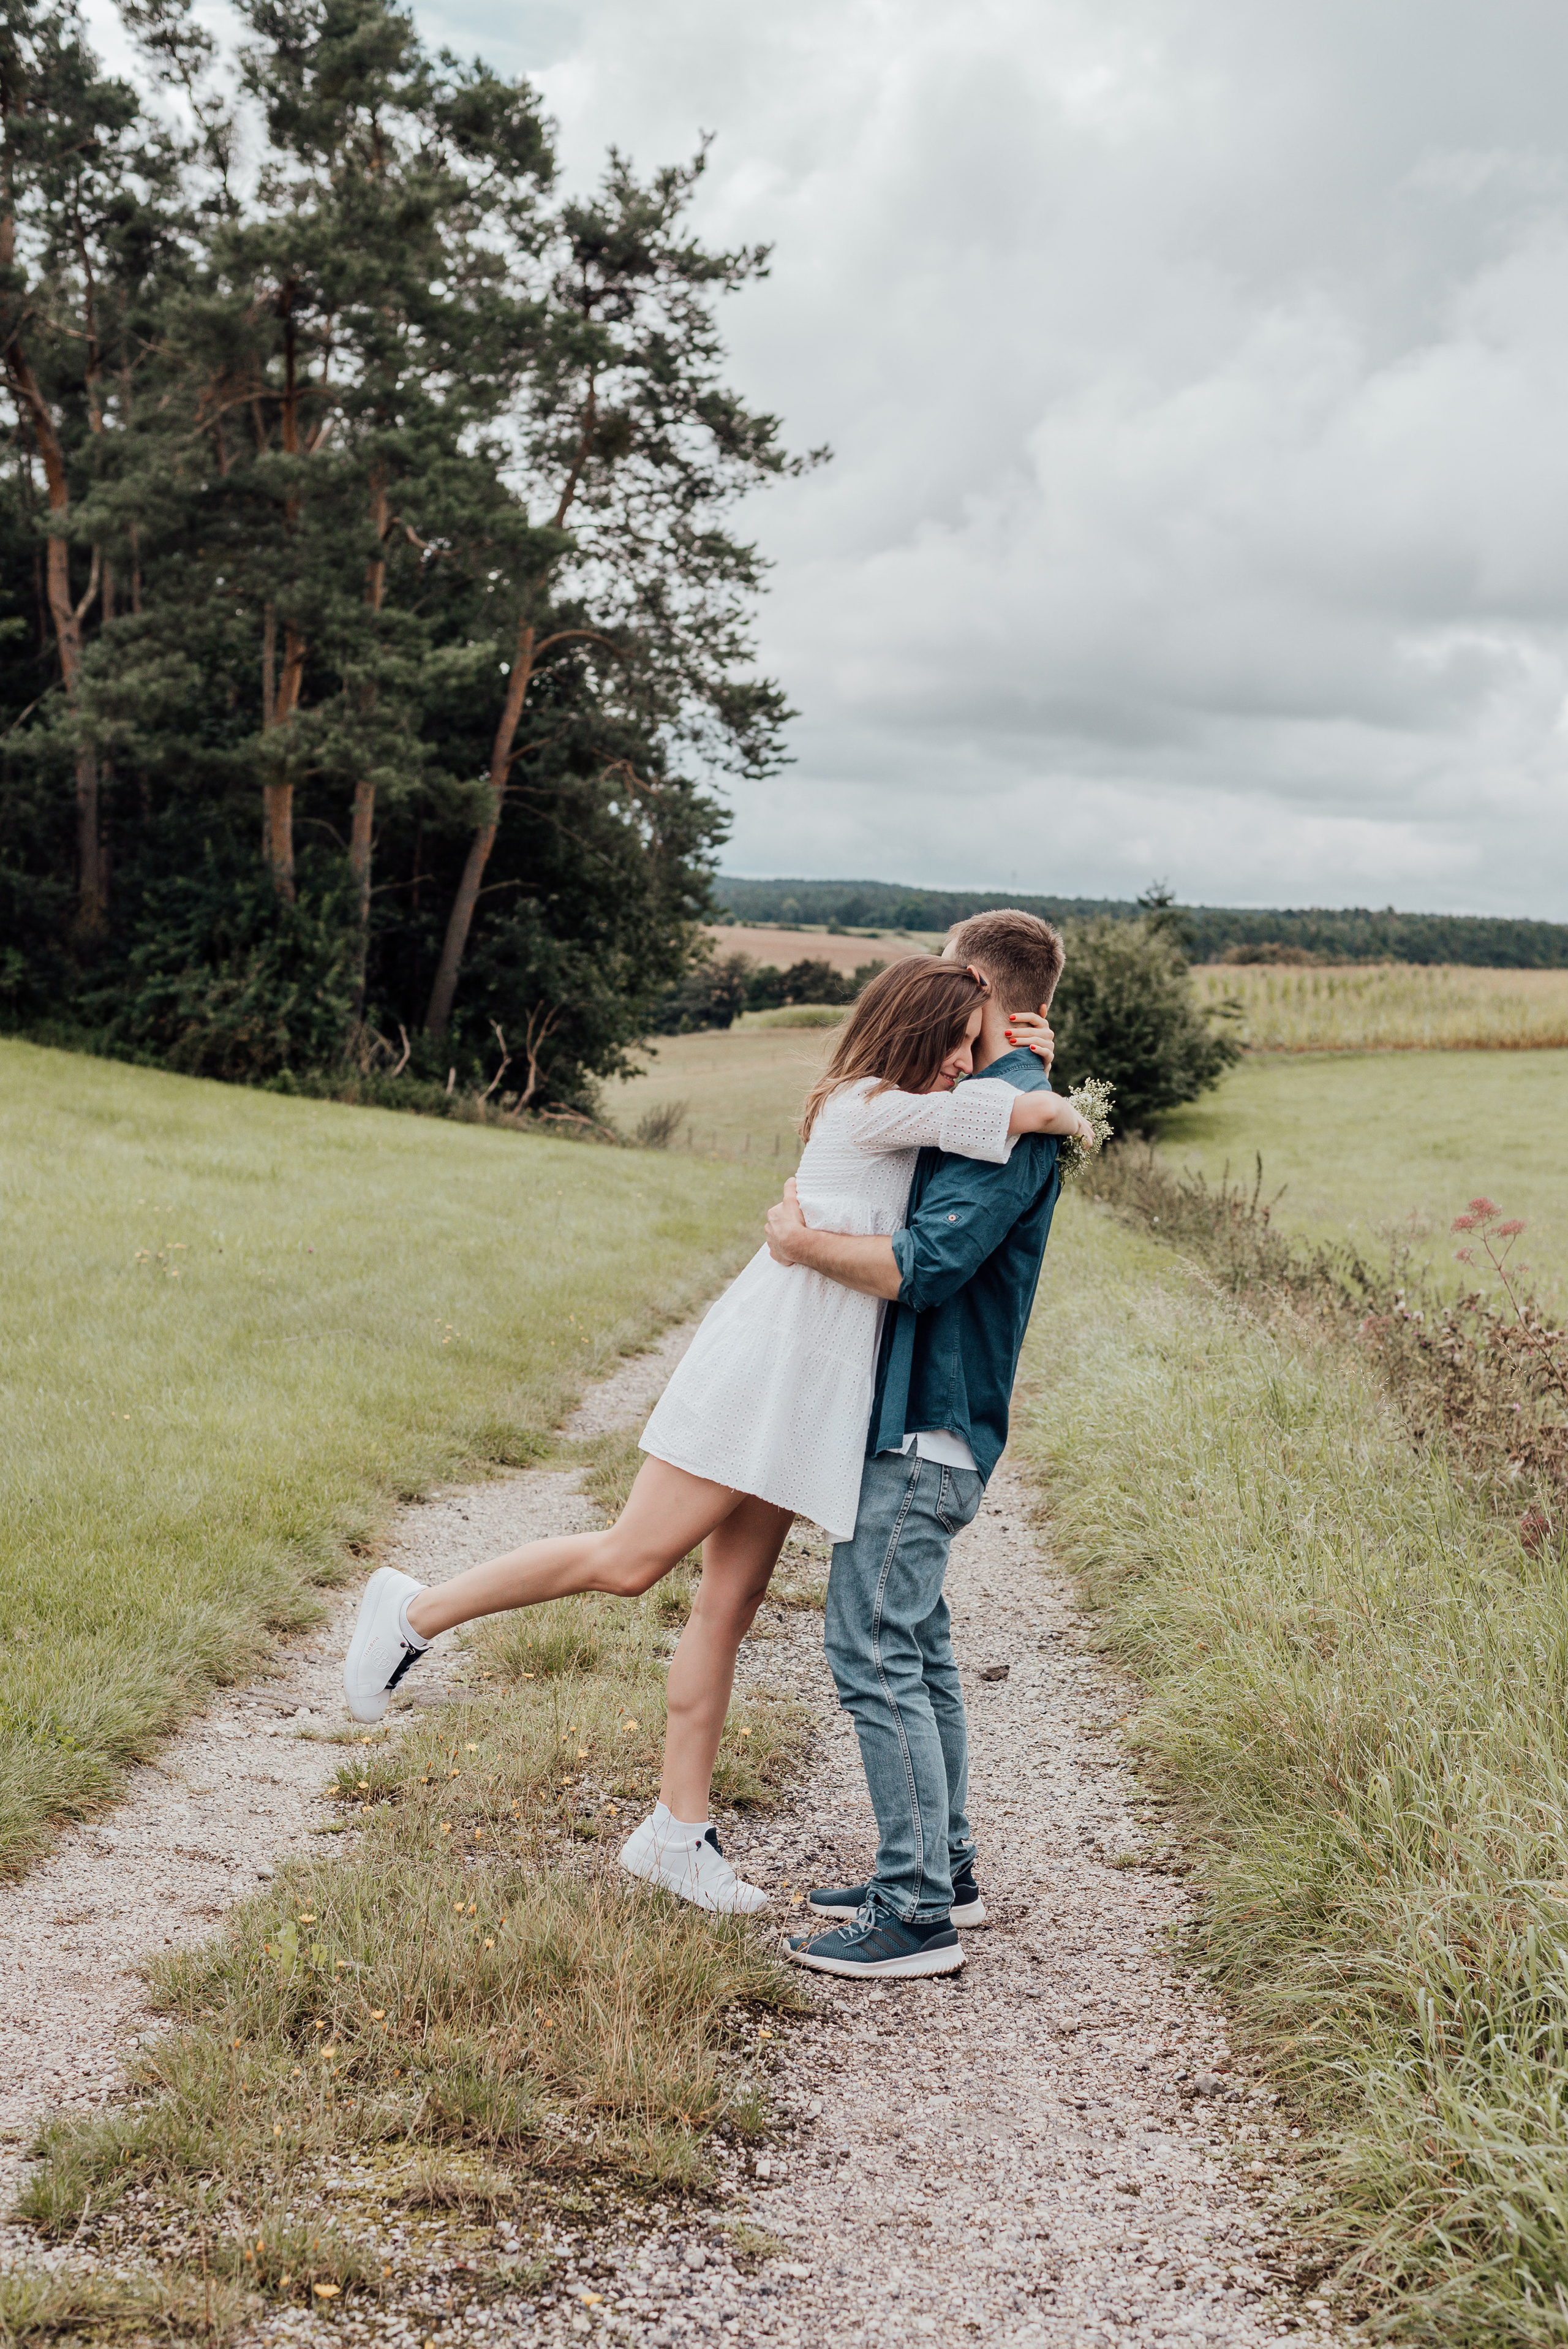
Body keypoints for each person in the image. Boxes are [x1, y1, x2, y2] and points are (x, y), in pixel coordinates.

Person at [341, 956, 1093, 1918]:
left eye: (969, 1043)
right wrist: (1057, 1097)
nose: (959, 1063)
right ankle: (413, 1612)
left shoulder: (905, 1105)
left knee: (728, 1605)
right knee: (629, 1559)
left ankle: (675, 1832)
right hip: (761, 1368)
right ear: (911, 1033)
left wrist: (1017, 1053)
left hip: (812, 1392)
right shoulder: (867, 1104)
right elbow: (1011, 1117)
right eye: (951, 1043)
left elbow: (980, 1112)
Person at [761, 908, 1073, 1981]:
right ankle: (946, 1869)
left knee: (872, 1648)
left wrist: (803, 1243)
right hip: (933, 1418)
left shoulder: (1007, 1112)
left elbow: (927, 1265)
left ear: (979, 988)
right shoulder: (992, 1098)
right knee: (920, 1646)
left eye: (950, 979)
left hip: (930, 1421)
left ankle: (913, 1912)